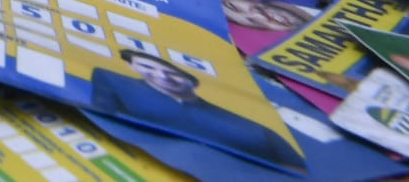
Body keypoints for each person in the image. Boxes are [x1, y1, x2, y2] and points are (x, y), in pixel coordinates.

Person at [91, 49, 300, 169]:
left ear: (191, 80)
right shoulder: (114, 81)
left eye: (173, 72)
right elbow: (100, 115)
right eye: (147, 67)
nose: (163, 76)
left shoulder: (255, 130)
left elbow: (295, 167)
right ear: (132, 67)